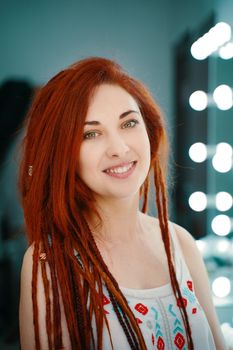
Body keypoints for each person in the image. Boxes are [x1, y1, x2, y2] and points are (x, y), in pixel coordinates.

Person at [18, 57, 226, 350]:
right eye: (90, 133)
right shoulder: (50, 263)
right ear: (64, 154)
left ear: (149, 130)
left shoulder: (180, 243)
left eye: (129, 123)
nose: (119, 148)